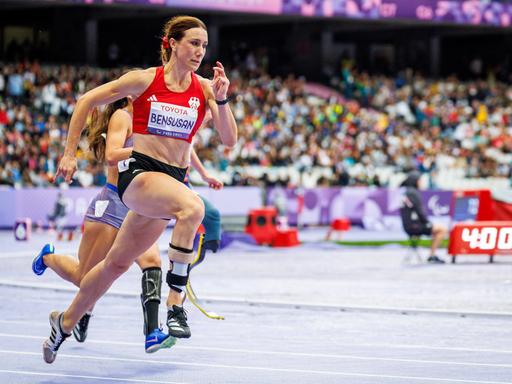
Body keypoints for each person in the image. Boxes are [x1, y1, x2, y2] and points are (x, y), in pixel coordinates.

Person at [42, 15, 237, 364]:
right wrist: (69, 153)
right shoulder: (145, 80)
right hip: (139, 176)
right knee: (193, 208)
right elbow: (86, 100)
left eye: (204, 46)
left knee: (113, 266)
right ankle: (174, 307)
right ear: (172, 43)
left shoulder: (206, 88)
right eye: (193, 43)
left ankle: (64, 321)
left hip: (170, 182)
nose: (200, 51)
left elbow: (229, 139)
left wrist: (221, 101)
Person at [33, 97, 175, 353]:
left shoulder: (151, 122)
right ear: (132, 95)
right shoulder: (123, 116)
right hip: (113, 204)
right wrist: (145, 151)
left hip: (139, 204)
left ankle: (152, 332)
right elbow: (112, 155)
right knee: (83, 277)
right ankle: (48, 258)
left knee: (152, 261)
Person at [400, 171, 447, 264]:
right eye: (419, 180)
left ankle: (432, 254)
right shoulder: (413, 193)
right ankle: (432, 255)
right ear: (415, 181)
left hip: (408, 226)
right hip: (415, 226)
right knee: (442, 229)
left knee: (437, 228)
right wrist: (427, 223)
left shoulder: (406, 192)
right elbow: (419, 211)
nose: (421, 183)